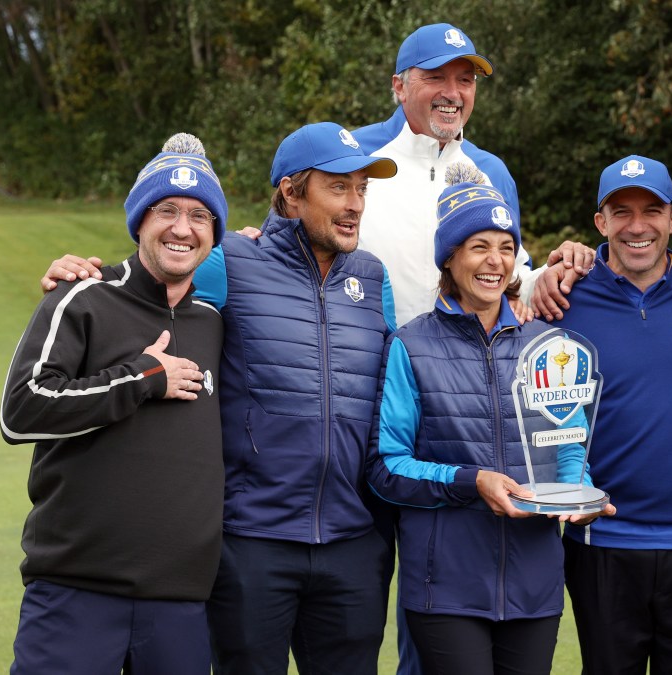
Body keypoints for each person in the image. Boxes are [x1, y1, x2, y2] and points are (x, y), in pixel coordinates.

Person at [34, 122, 399, 673]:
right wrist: (84, 274)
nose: (355, 205)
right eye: (339, 188)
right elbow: (157, 272)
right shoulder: (231, 260)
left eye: (362, 190)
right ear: (291, 192)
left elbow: (394, 389)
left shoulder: (373, 278)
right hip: (251, 539)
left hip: (353, 542)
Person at [0, 133, 227, 673]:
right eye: (166, 209)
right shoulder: (83, 296)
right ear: (139, 220)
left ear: (213, 233)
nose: (181, 227)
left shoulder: (214, 323)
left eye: (199, 216)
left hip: (181, 603)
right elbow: (22, 409)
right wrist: (142, 377)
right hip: (76, 592)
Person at [367, 177, 614, 675]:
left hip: (535, 584)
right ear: (450, 260)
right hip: (446, 587)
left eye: (506, 248)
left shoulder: (547, 345)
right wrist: (471, 482)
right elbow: (386, 466)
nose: (495, 261)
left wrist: (578, 493)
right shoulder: (410, 346)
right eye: (479, 247)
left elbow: (567, 446)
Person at [547, 155, 672, 674]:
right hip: (600, 537)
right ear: (600, 222)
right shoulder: (562, 296)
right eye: (620, 211)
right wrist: (545, 271)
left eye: (652, 210)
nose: (637, 226)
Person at [352, 22, 593, 326]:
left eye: (465, 80)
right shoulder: (352, 155)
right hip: (369, 364)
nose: (452, 93)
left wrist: (553, 271)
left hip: (463, 368)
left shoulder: (492, 171)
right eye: (436, 77)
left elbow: (511, 284)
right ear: (400, 87)